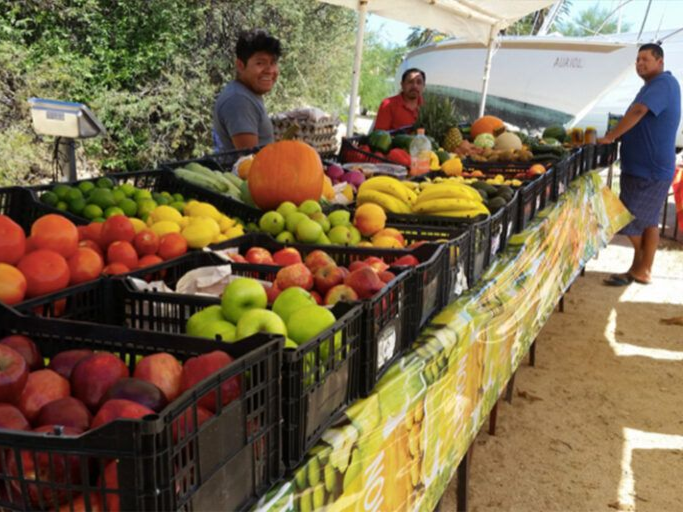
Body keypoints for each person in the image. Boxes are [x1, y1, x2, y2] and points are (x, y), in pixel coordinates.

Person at [599, 43, 681, 286]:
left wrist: (611, 136)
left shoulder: (663, 84)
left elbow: (638, 112)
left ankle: (642, 266)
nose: (640, 63)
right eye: (637, 60)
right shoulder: (654, 85)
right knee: (648, 222)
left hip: (649, 170)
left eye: (645, 59)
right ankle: (641, 270)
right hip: (646, 168)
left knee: (627, 217)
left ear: (660, 62)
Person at [213, 29, 281, 152]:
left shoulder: (247, 93)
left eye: (273, 62)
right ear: (240, 65)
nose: (269, 70)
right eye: (260, 63)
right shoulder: (239, 101)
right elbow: (250, 162)